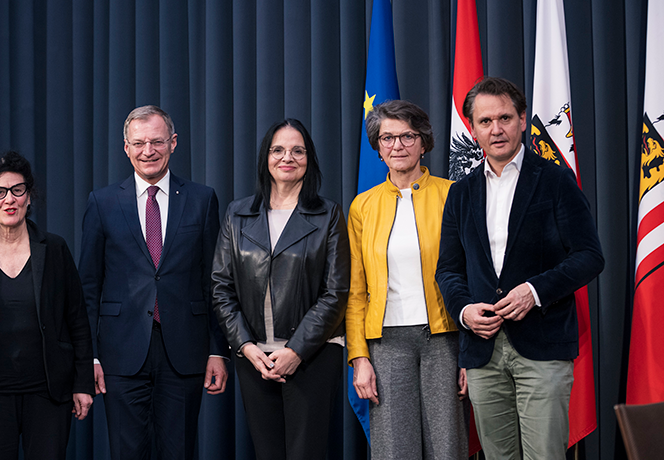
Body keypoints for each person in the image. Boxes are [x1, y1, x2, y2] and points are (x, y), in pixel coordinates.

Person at [436, 77, 605, 459]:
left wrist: (534, 291)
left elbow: (589, 255)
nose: (496, 129)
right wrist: (464, 311)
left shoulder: (555, 180)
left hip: (542, 347)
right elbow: (448, 270)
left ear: (523, 120)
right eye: (485, 121)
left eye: (505, 117)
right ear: (473, 129)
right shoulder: (460, 193)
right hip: (482, 350)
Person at [79, 105, 229, 460]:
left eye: (157, 142)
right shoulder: (101, 203)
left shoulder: (201, 199)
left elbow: (216, 282)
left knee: (179, 451)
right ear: (126, 148)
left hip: (185, 351)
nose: (149, 151)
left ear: (173, 143)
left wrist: (216, 349)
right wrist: (91, 357)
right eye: (140, 143)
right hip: (121, 353)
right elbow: (88, 285)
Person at [211, 118, 350, 460]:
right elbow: (221, 286)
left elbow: (336, 291)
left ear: (309, 159)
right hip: (254, 358)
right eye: (278, 150)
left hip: (313, 357)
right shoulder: (237, 214)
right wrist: (244, 346)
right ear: (266, 157)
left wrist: (296, 350)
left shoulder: (328, 214)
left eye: (297, 150)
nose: (287, 157)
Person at [0, 151, 93, 459]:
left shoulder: (54, 248)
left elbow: (77, 318)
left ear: (29, 196)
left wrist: (83, 383)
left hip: (48, 391)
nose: (8, 199)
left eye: (17, 190)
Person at [346, 100, 468, 459]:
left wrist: (470, 354)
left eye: (407, 136)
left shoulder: (453, 195)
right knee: (394, 449)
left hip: (445, 340)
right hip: (386, 343)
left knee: (447, 447)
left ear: (423, 142)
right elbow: (355, 292)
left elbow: (469, 277)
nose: (397, 146)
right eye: (388, 138)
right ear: (378, 146)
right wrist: (359, 358)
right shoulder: (362, 207)